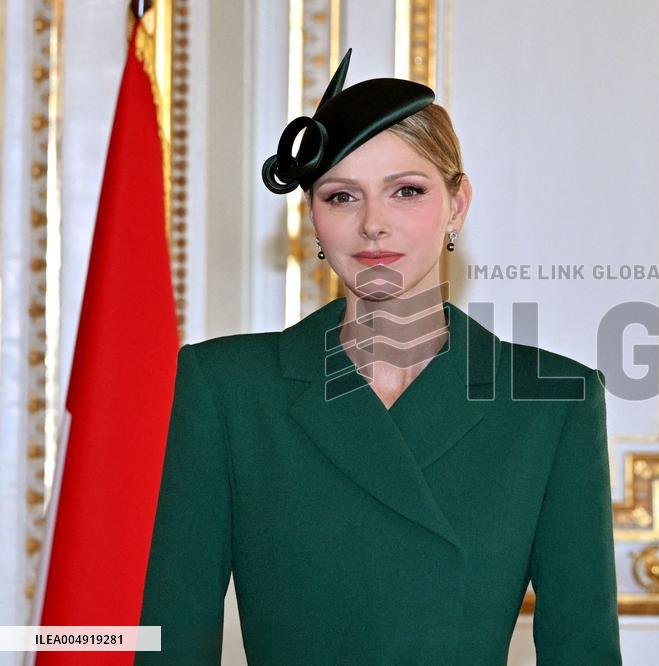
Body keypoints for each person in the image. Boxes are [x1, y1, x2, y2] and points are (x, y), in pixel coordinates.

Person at [136, 48, 621, 665]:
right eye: (342, 196)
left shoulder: (553, 400)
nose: (373, 225)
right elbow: (174, 635)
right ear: (312, 215)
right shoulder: (227, 387)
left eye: (406, 191)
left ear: (457, 203)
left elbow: (583, 647)